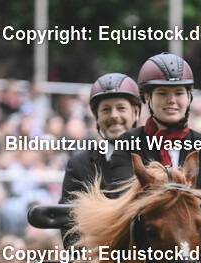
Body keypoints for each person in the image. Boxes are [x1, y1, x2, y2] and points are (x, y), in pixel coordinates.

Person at [108, 53, 201, 263]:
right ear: (147, 98)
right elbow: (120, 200)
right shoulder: (127, 143)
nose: (172, 101)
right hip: (142, 250)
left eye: (179, 93)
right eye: (162, 93)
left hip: (194, 250)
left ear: (189, 98)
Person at [61, 73, 142, 203]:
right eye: (106, 109)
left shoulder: (155, 158)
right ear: (96, 116)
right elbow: (67, 220)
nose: (114, 115)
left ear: (136, 113)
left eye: (121, 108)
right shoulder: (79, 166)